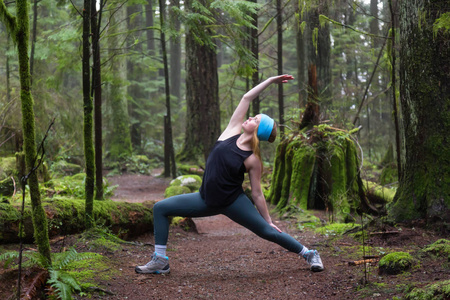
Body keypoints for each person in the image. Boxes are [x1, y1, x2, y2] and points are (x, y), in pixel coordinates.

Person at [135, 74, 324, 274]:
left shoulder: (252, 159)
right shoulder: (231, 131)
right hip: (204, 199)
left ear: (258, 129)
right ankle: (160, 260)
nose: (250, 117)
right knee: (160, 208)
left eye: (255, 119)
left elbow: (257, 193)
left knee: (267, 232)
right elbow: (246, 98)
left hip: (233, 202)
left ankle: (309, 254)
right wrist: (270, 81)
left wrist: (268, 220)